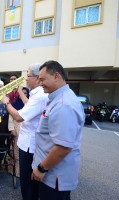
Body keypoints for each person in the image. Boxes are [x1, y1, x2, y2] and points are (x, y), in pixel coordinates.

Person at [31, 60, 85, 200]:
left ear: (56, 76)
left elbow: (63, 147)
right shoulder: (58, 99)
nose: (40, 83)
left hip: (53, 176)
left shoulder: (63, 105)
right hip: (51, 172)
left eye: (42, 79)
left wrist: (41, 168)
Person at [1, 64, 48, 200]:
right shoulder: (38, 94)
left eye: (28, 76)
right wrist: (21, 91)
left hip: (30, 145)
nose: (25, 79)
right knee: (31, 181)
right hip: (30, 143)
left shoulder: (39, 96)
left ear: (38, 78)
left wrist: (6, 102)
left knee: (27, 181)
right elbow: (29, 105)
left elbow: (18, 117)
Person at [7, 87, 30, 177]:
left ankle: (23, 172)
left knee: (26, 152)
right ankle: (14, 171)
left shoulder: (30, 105)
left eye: (25, 93)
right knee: (15, 151)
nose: (23, 95)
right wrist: (12, 129)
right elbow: (10, 118)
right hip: (17, 129)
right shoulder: (14, 104)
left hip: (27, 130)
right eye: (21, 93)